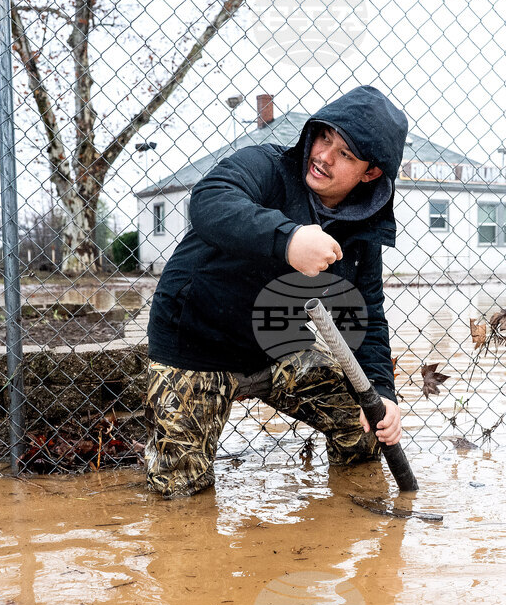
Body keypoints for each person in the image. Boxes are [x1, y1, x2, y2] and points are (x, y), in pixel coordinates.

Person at [144, 85, 409, 498]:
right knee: (179, 497)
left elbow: (366, 314)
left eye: (345, 154)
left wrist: (383, 392)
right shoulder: (266, 165)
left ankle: (347, 514)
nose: (323, 156)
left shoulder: (361, 228)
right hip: (195, 344)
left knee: (365, 429)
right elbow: (209, 201)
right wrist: (289, 240)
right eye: (324, 137)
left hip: (275, 344)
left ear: (370, 172)